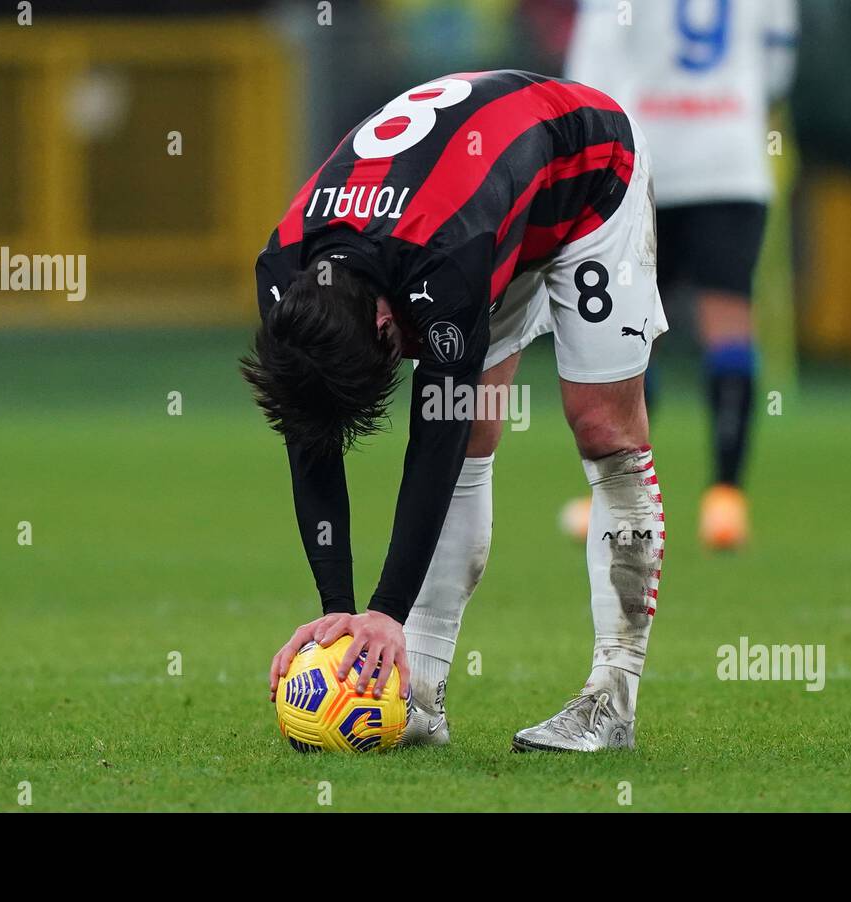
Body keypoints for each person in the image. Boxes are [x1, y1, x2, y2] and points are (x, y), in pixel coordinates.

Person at [245, 70, 667, 751]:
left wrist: (384, 611)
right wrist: (338, 614)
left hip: (589, 172)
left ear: (388, 323)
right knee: (475, 431)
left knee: (602, 428)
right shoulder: (282, 271)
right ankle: (421, 700)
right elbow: (310, 430)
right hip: (480, 200)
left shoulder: (446, 265)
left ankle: (612, 700)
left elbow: (431, 437)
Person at [566, 0, 798, 550]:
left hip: (644, 159)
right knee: (729, 321)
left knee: (630, 328)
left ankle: (618, 496)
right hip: (732, 161)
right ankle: (726, 498)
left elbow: (590, 70)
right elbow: (777, 70)